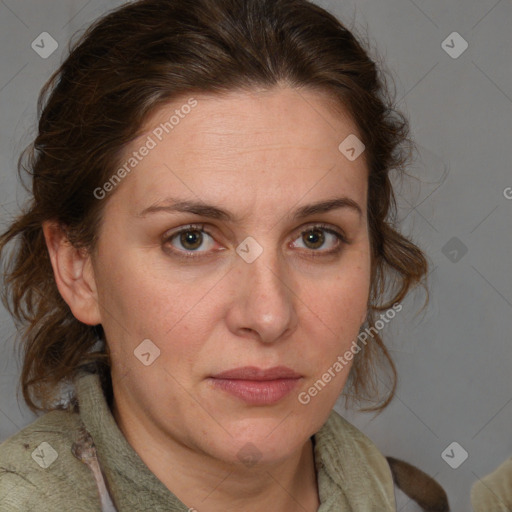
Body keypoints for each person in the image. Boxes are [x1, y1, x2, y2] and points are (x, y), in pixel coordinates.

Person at [0, 0, 437, 510]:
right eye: (191, 239)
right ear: (78, 269)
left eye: (316, 237)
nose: (269, 315)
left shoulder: (407, 498)